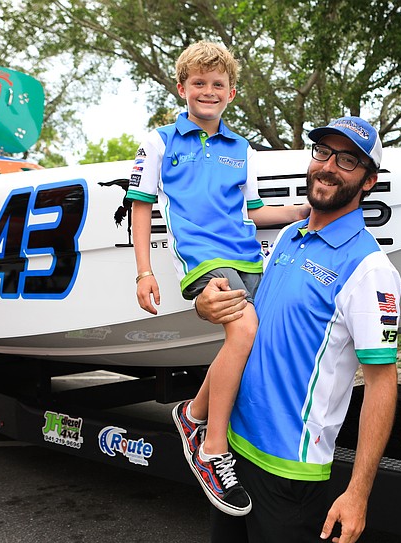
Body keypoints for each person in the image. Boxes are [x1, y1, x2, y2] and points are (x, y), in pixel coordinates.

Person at [195, 116, 401, 543]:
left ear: (368, 181)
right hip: (231, 454)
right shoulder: (290, 235)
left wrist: (358, 493)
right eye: (323, 152)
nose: (328, 166)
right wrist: (207, 306)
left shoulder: (370, 269)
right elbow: (251, 322)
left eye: (347, 159)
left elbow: (382, 383)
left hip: (291, 475)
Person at [125, 41, 308, 516]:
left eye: (218, 85)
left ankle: (191, 415)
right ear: (182, 88)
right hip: (203, 259)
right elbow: (140, 207)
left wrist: (310, 210)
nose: (208, 91)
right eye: (199, 83)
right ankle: (210, 449)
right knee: (244, 330)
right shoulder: (160, 141)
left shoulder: (241, 148)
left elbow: (254, 212)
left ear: (231, 94)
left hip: (248, 257)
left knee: (251, 340)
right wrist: (144, 271)